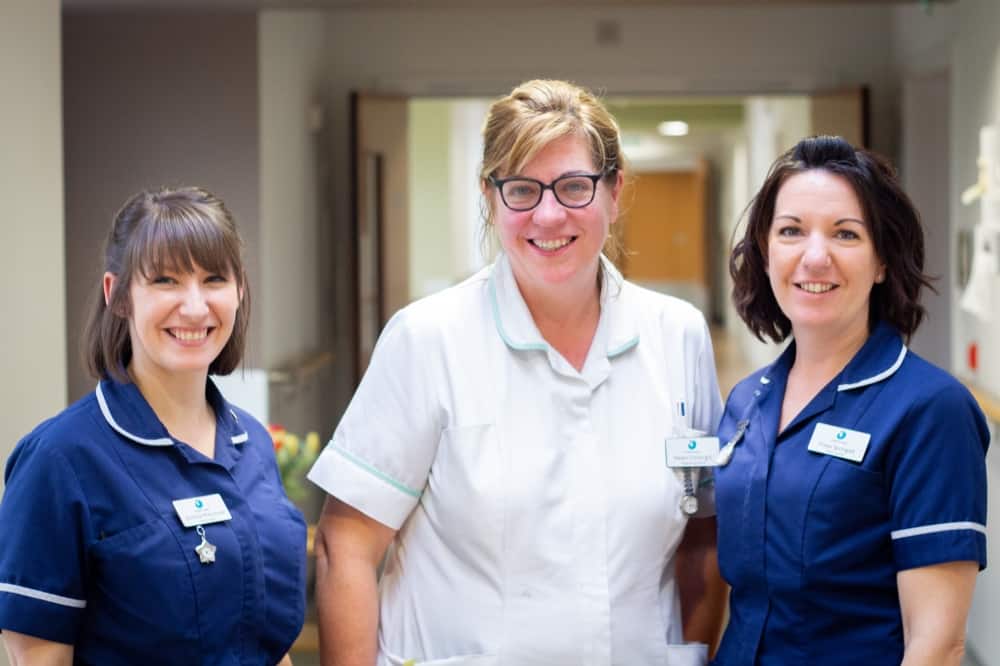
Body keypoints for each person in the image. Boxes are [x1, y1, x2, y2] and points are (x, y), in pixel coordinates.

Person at [307, 79, 726, 666]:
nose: (548, 214)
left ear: (614, 189)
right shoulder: (428, 339)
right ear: (489, 196)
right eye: (522, 189)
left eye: (574, 187)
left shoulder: (677, 336)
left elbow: (701, 539)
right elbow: (344, 546)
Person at [0, 187, 306, 665]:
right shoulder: (60, 460)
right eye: (165, 280)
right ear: (117, 296)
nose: (194, 306)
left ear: (240, 290)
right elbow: (37, 658)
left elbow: (268, 644)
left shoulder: (253, 444)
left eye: (213, 279)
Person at [713, 135, 989, 666]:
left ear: (883, 261)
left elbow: (938, 644)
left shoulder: (930, 410)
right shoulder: (747, 402)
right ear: (766, 253)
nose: (815, 257)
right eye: (791, 231)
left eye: (846, 234)